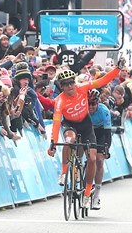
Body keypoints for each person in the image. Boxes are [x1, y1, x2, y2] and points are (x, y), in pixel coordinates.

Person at [47, 66, 120, 200]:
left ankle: (87, 193)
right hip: (70, 125)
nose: (70, 86)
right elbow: (56, 123)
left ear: (75, 82)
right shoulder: (59, 101)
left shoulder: (82, 87)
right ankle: (64, 173)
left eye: (71, 82)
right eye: (66, 84)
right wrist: (53, 142)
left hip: (86, 125)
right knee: (69, 141)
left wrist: (117, 69)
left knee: (92, 159)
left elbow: (103, 81)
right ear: (61, 87)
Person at [88, 89, 113, 210]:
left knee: (99, 160)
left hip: (100, 133)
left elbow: (108, 134)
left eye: (93, 104)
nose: (90, 107)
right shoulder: (82, 110)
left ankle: (97, 194)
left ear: (98, 102)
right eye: (88, 104)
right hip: (87, 131)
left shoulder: (104, 111)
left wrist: (106, 149)